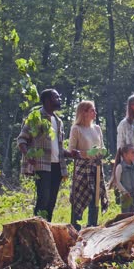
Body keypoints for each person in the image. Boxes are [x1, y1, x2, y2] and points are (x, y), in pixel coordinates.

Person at [17, 88, 80, 221]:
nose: (59, 100)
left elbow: (57, 148)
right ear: (47, 100)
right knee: (43, 199)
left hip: (57, 166)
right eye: (56, 97)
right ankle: (37, 230)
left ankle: (47, 229)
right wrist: (28, 154)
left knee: (51, 201)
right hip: (42, 165)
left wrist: (70, 154)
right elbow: (22, 140)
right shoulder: (35, 117)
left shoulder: (58, 121)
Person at [68, 100, 109, 230]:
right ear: (84, 113)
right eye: (92, 110)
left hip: (96, 165)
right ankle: (75, 225)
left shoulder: (97, 128)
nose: (95, 113)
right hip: (82, 166)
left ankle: (92, 224)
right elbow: (71, 151)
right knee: (79, 194)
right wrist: (85, 153)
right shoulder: (76, 129)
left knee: (96, 195)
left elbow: (101, 146)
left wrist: (102, 151)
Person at [109, 144, 134, 213]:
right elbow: (117, 182)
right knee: (125, 215)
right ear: (125, 155)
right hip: (126, 196)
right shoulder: (120, 166)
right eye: (132, 152)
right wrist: (125, 192)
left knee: (133, 215)